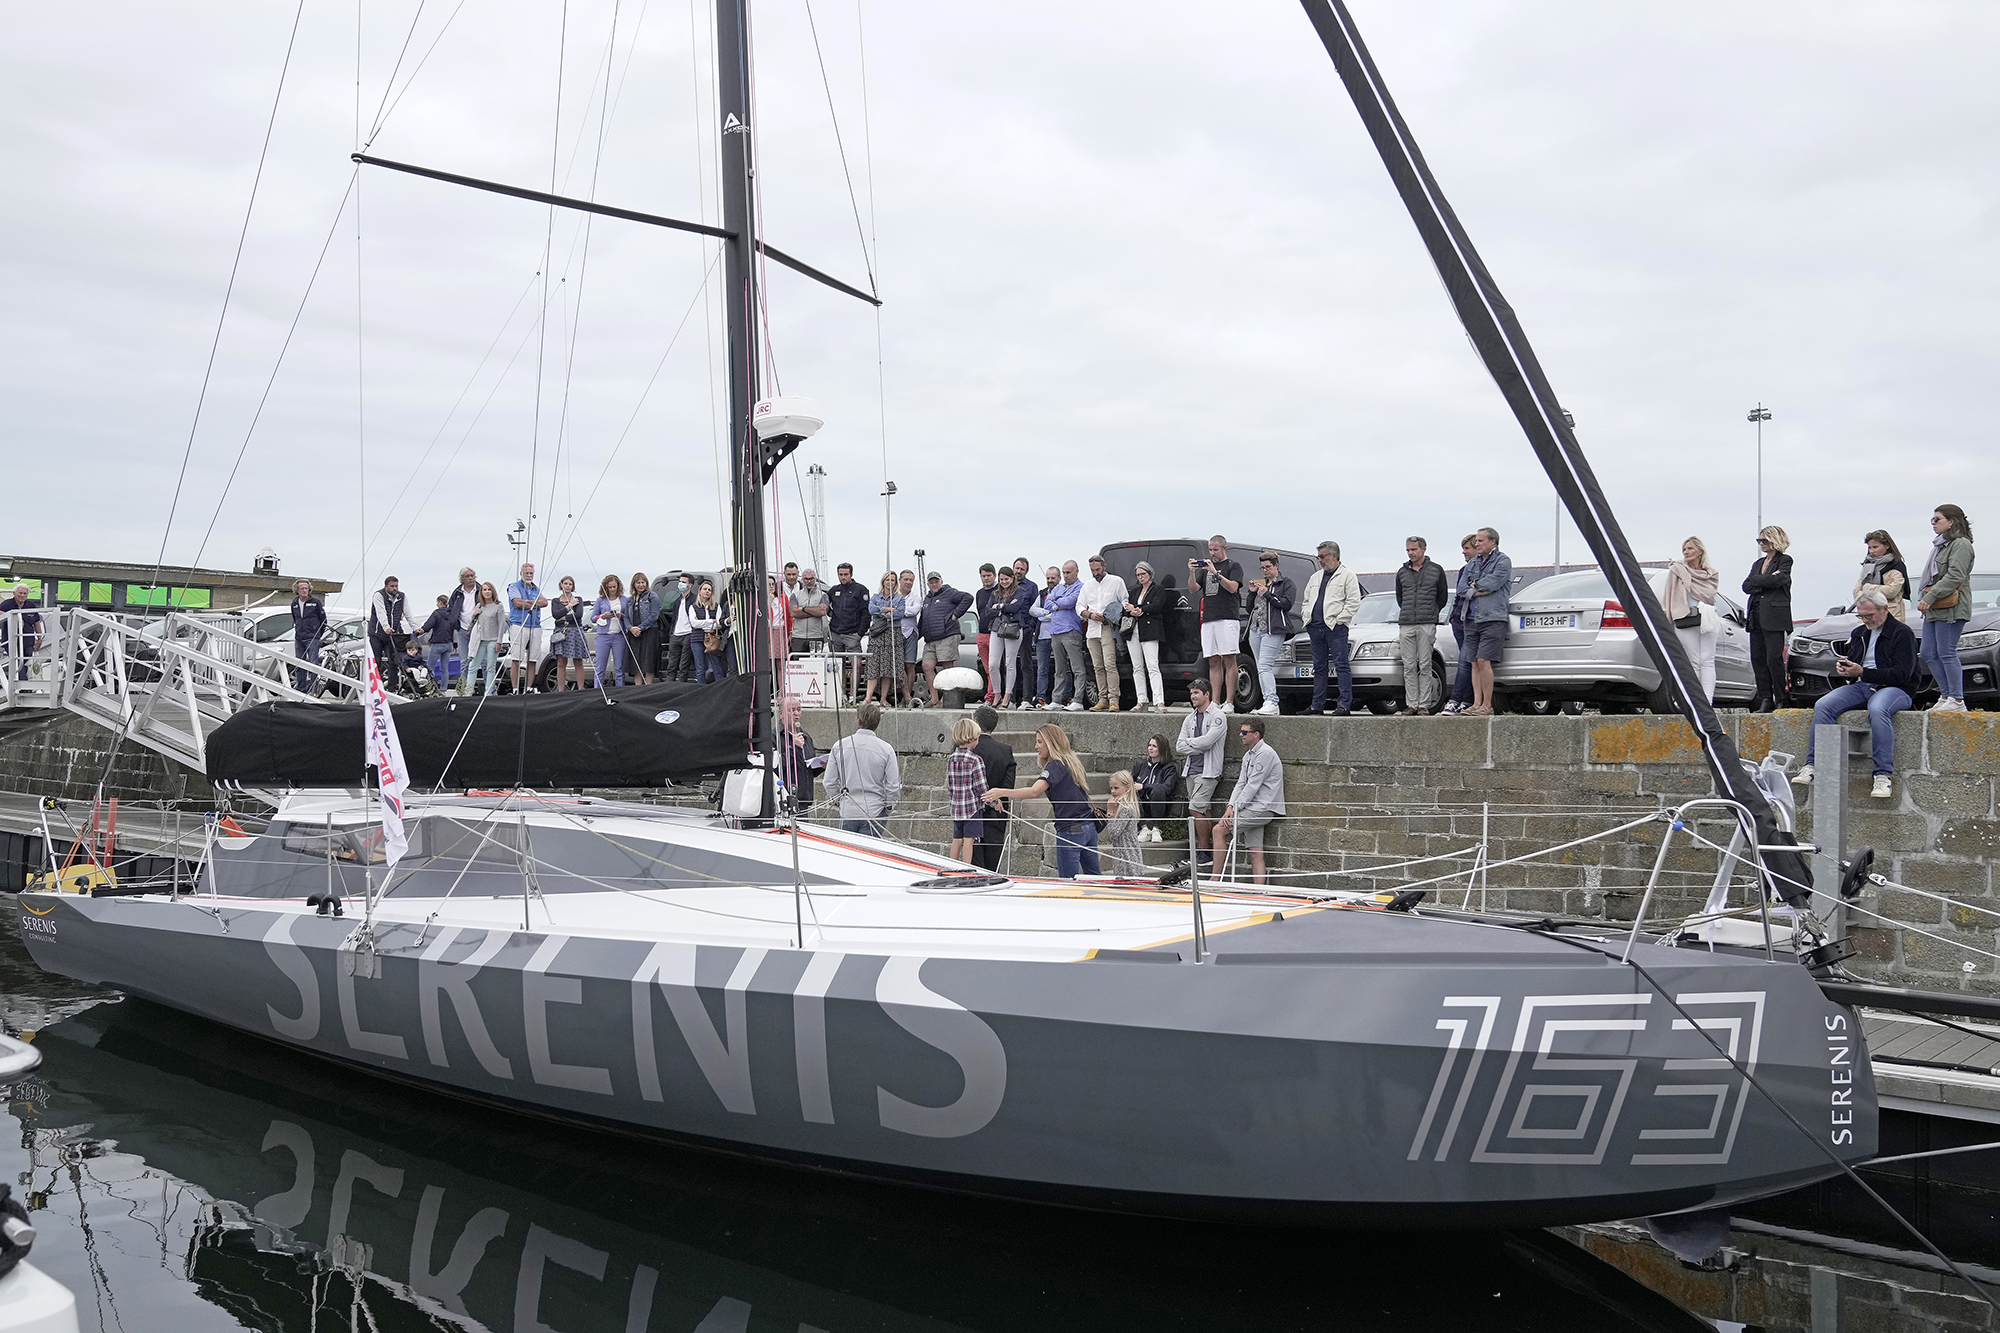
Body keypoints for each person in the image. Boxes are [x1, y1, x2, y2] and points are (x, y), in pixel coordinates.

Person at [982, 723, 1099, 878]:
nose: (1036, 746)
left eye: (1039, 742)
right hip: (1089, 826)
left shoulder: (1055, 766)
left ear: (1051, 743)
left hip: (1071, 829)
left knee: (1068, 881)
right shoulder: (1072, 762)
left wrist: (1001, 792)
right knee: (1095, 877)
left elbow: (1034, 791)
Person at [1919, 504, 1976, 712]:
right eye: (1932, 519)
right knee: (1927, 652)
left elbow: (1955, 576)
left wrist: (1930, 596)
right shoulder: (1941, 546)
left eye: (1937, 519)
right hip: (1935, 607)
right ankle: (1945, 695)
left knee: (1946, 652)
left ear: (1951, 522)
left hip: (1951, 606)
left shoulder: (1960, 544)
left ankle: (1957, 699)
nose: (1933, 523)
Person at [1215, 717, 1285, 884]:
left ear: (1256, 734)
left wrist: (1235, 809)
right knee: (1255, 851)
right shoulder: (1248, 755)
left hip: (1263, 808)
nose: (1241, 735)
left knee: (1218, 830)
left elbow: (1252, 786)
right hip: (1253, 808)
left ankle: (1215, 878)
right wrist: (1230, 806)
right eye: (1241, 731)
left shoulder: (1265, 754)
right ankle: (1259, 892)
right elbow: (1241, 783)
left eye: (1244, 732)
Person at [1297, 541, 1360, 717]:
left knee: (1341, 665)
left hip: (1335, 628)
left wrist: (1340, 620)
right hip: (1315, 627)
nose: (1320, 560)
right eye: (1318, 557)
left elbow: (1353, 602)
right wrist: (1306, 616)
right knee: (1319, 667)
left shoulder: (1347, 576)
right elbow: (1306, 600)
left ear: (1334, 556)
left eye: (1322, 556)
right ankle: (1317, 705)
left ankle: (1344, 705)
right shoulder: (1315, 577)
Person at [824, 701, 901, 837]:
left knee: (846, 850)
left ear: (859, 722)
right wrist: (888, 808)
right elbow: (893, 786)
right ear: (877, 724)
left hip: (848, 810)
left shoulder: (839, 746)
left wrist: (839, 802)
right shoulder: (886, 749)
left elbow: (829, 782)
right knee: (869, 850)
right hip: (874, 810)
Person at [1174, 679, 1227, 866]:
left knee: (1195, 809)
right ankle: (1207, 853)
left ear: (1207, 694)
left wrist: (1192, 743)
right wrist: (1198, 744)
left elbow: (1208, 742)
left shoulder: (1218, 716)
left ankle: (1203, 852)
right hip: (1191, 770)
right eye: (1191, 693)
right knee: (1204, 810)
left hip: (1209, 771)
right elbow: (1179, 746)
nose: (1193, 696)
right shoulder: (1189, 718)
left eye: (1196, 693)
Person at [1394, 537, 1449, 715]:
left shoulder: (1436, 570)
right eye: (1408, 550)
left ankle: (1424, 704)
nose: (1410, 553)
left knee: (1425, 664)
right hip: (1406, 622)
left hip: (1427, 622)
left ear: (1424, 549)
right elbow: (1400, 597)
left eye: (1414, 549)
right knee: (1408, 665)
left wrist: (1431, 612)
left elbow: (1442, 597)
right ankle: (1412, 703)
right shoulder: (1402, 572)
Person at [1189, 535, 1244, 713]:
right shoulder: (1205, 568)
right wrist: (1192, 572)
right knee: (1213, 660)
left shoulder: (1233, 566)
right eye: (1210, 550)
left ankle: (1229, 701)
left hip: (1227, 617)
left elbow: (1233, 587)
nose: (1212, 553)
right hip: (1209, 618)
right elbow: (1193, 589)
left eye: (1215, 550)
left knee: (1229, 658)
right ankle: (1215, 701)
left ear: (1224, 548)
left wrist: (1216, 573)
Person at [1742, 525, 1794, 712]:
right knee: (1758, 659)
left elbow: (1780, 580)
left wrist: (1759, 581)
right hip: (1755, 616)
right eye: (1759, 541)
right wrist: (1765, 580)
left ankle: (1781, 698)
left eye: (1764, 540)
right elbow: (1746, 586)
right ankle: (1765, 698)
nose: (1761, 544)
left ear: (1774, 540)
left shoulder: (1785, 560)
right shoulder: (1758, 563)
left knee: (1773, 659)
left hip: (1774, 617)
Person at [1462, 527, 1512, 717]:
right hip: (1470, 618)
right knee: (1474, 662)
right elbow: (1461, 587)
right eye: (1476, 541)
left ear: (1493, 542)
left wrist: (1475, 585)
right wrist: (1476, 591)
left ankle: (1487, 705)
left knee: (1484, 660)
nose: (1477, 544)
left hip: (1492, 618)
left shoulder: (1503, 561)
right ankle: (1476, 704)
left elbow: (1493, 583)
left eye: (1481, 541)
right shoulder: (1472, 563)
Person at [1665, 537, 1721, 705]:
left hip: (1708, 617)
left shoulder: (1711, 573)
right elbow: (1669, 595)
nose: (1686, 552)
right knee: (1693, 661)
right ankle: (1693, 701)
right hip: (1685, 617)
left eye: (1690, 548)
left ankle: (1707, 701)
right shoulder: (1676, 570)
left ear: (1700, 551)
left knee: (1707, 660)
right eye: (1684, 549)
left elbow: (1710, 595)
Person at [1244, 551, 1296, 718]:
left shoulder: (1285, 583)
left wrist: (1267, 593)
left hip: (1273, 630)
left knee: (1265, 665)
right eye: (1263, 568)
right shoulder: (1262, 583)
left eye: (1268, 567)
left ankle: (1272, 701)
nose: (1265, 571)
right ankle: (1265, 701)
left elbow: (1286, 604)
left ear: (1276, 566)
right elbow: (1250, 608)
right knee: (1260, 667)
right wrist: (1252, 592)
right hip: (1256, 629)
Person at [1076, 553, 1129, 712]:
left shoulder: (1116, 581)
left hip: (1108, 627)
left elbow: (1124, 601)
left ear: (1104, 567)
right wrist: (1090, 614)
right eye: (1092, 570)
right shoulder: (1087, 586)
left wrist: (1113, 615)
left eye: (1097, 569)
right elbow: (1079, 607)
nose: (1095, 573)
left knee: (1109, 664)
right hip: (1092, 629)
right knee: (1097, 666)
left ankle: (1114, 699)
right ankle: (1102, 698)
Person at [970, 704, 1017, 871]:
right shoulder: (1005, 751)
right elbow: (1008, 786)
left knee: (973, 865)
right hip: (997, 813)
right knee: (992, 866)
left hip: (971, 813)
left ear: (976, 723)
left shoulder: (966, 749)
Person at [917, 572, 974, 706]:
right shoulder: (927, 599)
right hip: (930, 639)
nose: (934, 584)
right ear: (928, 584)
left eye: (936, 581)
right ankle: (934, 698)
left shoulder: (950, 593)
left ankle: (946, 699)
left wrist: (955, 615)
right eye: (931, 582)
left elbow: (968, 597)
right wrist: (916, 636)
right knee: (926, 666)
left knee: (947, 667)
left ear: (941, 582)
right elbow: (923, 620)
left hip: (947, 635)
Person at [1122, 561, 1169, 713]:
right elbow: (1126, 608)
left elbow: (1157, 605)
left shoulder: (1158, 589)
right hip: (1134, 631)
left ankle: (1159, 701)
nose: (1141, 577)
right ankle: (1141, 699)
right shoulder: (1134, 591)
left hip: (1150, 630)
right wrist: (1132, 610)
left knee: (1152, 666)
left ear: (1150, 574)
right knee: (1137, 667)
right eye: (1138, 575)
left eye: (1143, 574)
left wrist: (1138, 609)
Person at [1441, 534, 1480, 714]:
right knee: (1469, 662)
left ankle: (1456, 700)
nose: (1464, 552)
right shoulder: (1464, 570)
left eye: (1467, 548)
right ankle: (1467, 700)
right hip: (1459, 622)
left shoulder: (1483, 569)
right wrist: (1453, 616)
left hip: (1473, 622)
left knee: (1466, 661)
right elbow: (1460, 594)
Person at [825, 562, 871, 701]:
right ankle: (841, 695)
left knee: (856, 665)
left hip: (853, 634)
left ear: (851, 574)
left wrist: (860, 634)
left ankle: (852, 695)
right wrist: (829, 613)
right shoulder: (833, 590)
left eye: (845, 574)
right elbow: (825, 606)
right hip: (835, 633)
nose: (843, 577)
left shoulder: (861, 590)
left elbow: (866, 614)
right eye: (840, 574)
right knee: (838, 665)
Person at [946, 716, 989, 862]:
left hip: (956, 807)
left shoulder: (952, 758)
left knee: (957, 839)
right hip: (971, 808)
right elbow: (981, 788)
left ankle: (951, 865)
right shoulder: (975, 760)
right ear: (972, 738)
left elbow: (950, 784)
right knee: (969, 840)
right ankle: (966, 867)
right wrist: (994, 802)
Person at [1045, 561, 1086, 710]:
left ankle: (1078, 700)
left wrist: (1056, 602)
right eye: (1063, 572)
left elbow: (1070, 602)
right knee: (1059, 669)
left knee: (1077, 667)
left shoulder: (1081, 587)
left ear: (1076, 571)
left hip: (1071, 630)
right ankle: (1056, 700)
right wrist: (1058, 603)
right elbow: (1047, 603)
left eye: (1068, 572)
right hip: (1055, 631)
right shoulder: (1058, 587)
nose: (1065, 575)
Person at [507, 563, 549, 695]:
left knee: (533, 659)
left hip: (535, 626)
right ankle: (515, 689)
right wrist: (535, 603)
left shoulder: (536, 588)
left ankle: (529, 688)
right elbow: (517, 603)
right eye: (527, 573)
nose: (529, 575)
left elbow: (545, 602)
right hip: (519, 624)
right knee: (516, 659)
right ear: (521, 574)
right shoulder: (514, 586)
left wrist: (527, 602)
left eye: (531, 573)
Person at [985, 568, 1025, 708]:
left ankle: (1007, 695)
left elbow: (1015, 608)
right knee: (993, 664)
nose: (1004, 582)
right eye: (1001, 579)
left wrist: (999, 606)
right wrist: (1004, 607)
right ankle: (997, 694)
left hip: (1012, 628)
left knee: (1010, 663)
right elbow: (987, 611)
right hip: (996, 628)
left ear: (1012, 578)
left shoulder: (1020, 592)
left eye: (1006, 579)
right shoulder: (995, 593)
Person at [368, 575, 417, 687]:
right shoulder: (379, 595)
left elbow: (408, 612)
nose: (395, 588)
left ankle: (391, 687)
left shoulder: (401, 596)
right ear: (386, 587)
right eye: (392, 586)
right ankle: (374, 686)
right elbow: (381, 612)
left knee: (393, 661)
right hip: (377, 633)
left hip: (393, 634)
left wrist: (415, 627)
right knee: (377, 660)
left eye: (396, 586)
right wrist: (386, 627)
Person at [863, 572, 903, 705]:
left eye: (892, 580)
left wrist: (881, 612)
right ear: (883, 581)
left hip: (892, 634)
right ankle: (868, 698)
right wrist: (889, 609)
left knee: (888, 668)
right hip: (877, 634)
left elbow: (900, 613)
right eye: (887, 580)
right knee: (873, 666)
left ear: (896, 583)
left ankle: (883, 699)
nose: (889, 583)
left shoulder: (899, 598)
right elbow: (871, 610)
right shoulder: (875, 597)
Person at [1855, 531, 1910, 625]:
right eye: (1870, 547)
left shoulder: (1896, 566)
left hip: (1891, 617)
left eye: (1875, 547)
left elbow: (1891, 592)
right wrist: (1882, 589)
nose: (1871, 551)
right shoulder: (1867, 566)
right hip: (1866, 619)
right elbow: (1856, 593)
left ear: (1887, 546)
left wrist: (1867, 587)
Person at [1132, 734, 1180, 842]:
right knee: (1130, 791)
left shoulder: (1169, 768)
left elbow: (1167, 787)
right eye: (1149, 745)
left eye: (1154, 746)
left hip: (1159, 805)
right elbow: (1130, 781)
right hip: (1141, 805)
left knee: (1158, 790)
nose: (1150, 748)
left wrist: (1143, 786)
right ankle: (1144, 828)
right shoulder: (1141, 764)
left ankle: (1156, 829)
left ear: (1162, 748)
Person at [777, 694, 820, 812]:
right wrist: (794, 748)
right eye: (792, 710)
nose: (796, 713)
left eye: (799, 710)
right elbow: (777, 765)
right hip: (785, 799)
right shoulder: (775, 737)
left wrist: (821, 766)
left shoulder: (805, 737)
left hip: (804, 800)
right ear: (781, 713)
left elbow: (808, 767)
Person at [464, 581, 506, 696]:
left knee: (490, 667)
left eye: (489, 589)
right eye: (484, 590)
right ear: (481, 592)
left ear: (493, 591)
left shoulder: (498, 606)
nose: (487, 592)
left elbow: (502, 625)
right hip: (480, 641)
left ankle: (489, 692)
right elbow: (472, 624)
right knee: (472, 666)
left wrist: (499, 641)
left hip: (493, 640)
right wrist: (474, 614)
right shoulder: (479, 606)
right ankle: (468, 692)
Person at [687, 579, 730, 684]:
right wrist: (710, 621)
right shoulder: (693, 607)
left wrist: (702, 623)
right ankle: (701, 689)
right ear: (699, 591)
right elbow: (694, 623)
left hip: (712, 639)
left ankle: (719, 688)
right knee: (700, 668)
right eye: (705, 589)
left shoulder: (716, 606)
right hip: (697, 639)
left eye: (709, 590)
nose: (707, 591)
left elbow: (719, 624)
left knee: (717, 666)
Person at [549, 576, 589, 690]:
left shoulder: (578, 599)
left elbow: (579, 615)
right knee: (561, 662)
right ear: (561, 585)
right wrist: (569, 606)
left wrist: (564, 617)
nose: (567, 586)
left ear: (573, 587)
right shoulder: (556, 601)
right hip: (560, 632)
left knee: (578, 660)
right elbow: (556, 615)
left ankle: (580, 688)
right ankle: (561, 690)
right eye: (565, 584)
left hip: (575, 631)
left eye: (570, 584)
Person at [1102, 771, 1144, 877]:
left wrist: (1110, 812)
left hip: (1127, 855)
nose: (1113, 791)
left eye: (1116, 788)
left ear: (1128, 787)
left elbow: (1113, 833)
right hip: (1123, 852)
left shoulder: (1126, 808)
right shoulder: (1123, 805)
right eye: (1111, 788)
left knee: (1126, 882)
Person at [288, 578, 326, 693]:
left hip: (312, 637)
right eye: (302, 588)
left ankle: (313, 689)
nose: (304, 590)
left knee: (313, 663)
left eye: (306, 588)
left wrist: (318, 634)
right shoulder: (294, 604)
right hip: (299, 637)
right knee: (300, 663)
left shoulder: (316, 602)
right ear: (297, 590)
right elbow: (295, 619)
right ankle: (301, 689)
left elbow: (323, 620)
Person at [591, 574, 629, 688]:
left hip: (619, 636)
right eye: (610, 587)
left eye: (614, 587)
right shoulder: (600, 600)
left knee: (619, 667)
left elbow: (629, 616)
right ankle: (597, 691)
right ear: (605, 588)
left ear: (618, 586)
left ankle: (620, 691)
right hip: (603, 636)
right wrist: (603, 616)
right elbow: (593, 618)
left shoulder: (624, 600)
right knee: (600, 667)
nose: (612, 589)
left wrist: (622, 616)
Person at [1030, 565, 1060, 708]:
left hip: (1057, 634)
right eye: (1048, 578)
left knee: (1062, 668)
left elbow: (1058, 614)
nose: (1050, 580)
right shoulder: (1042, 594)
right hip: (1041, 637)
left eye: (1053, 578)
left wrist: (1043, 615)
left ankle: (1063, 697)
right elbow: (1032, 610)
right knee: (1042, 669)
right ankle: (1040, 697)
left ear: (1059, 578)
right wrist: (1045, 613)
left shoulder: (1063, 592)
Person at [446, 566, 480, 691]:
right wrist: (454, 623)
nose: (470, 578)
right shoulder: (457, 593)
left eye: (472, 575)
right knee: (464, 660)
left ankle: (483, 687)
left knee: (480, 660)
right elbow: (450, 610)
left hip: (478, 629)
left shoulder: (481, 589)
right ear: (462, 579)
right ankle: (464, 688)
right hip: (462, 629)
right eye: (467, 576)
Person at [2, 583, 42, 682]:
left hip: (28, 640)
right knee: (17, 661)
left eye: (25, 593)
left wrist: (39, 638)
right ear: (14, 593)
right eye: (20, 593)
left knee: (24, 663)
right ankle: (23, 684)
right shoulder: (7, 604)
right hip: (11, 640)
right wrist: (14, 618)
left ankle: (19, 682)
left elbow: (37, 622)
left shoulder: (31, 605)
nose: (22, 595)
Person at [973, 564, 1001, 703]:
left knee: (994, 667)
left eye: (989, 575)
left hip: (995, 633)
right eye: (983, 576)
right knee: (987, 669)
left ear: (994, 576)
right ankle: (991, 695)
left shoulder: (999, 590)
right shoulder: (979, 593)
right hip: (982, 633)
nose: (986, 578)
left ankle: (992, 697)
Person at [790, 568, 830, 658]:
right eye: (806, 579)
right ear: (802, 580)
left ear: (815, 579)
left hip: (816, 636)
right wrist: (815, 611)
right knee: (798, 665)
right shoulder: (795, 595)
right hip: (798, 637)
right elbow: (793, 613)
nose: (809, 581)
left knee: (815, 664)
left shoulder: (823, 595)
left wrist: (803, 608)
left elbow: (822, 611)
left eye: (811, 578)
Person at [660, 571, 692, 682]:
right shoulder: (677, 601)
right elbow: (674, 619)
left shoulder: (694, 599)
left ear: (690, 585)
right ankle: (668, 687)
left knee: (683, 666)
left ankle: (680, 687)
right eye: (680, 582)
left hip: (688, 634)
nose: (680, 584)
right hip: (675, 635)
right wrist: (672, 634)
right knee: (671, 665)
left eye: (683, 582)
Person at [419, 594, 455, 689]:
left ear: (440, 602)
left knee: (430, 667)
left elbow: (427, 626)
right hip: (449, 644)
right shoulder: (452, 613)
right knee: (445, 668)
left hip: (437, 643)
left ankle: (430, 688)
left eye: (437, 602)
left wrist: (421, 630)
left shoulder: (436, 613)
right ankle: (443, 689)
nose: (436, 605)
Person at [898, 570, 922, 705]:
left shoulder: (916, 597)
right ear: (900, 580)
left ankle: (907, 698)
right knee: (899, 666)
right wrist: (904, 610)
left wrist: (898, 611)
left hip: (911, 633)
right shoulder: (894, 595)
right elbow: (888, 612)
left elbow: (914, 611)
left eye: (911, 580)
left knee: (910, 665)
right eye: (906, 579)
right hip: (896, 632)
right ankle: (904, 695)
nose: (908, 582)